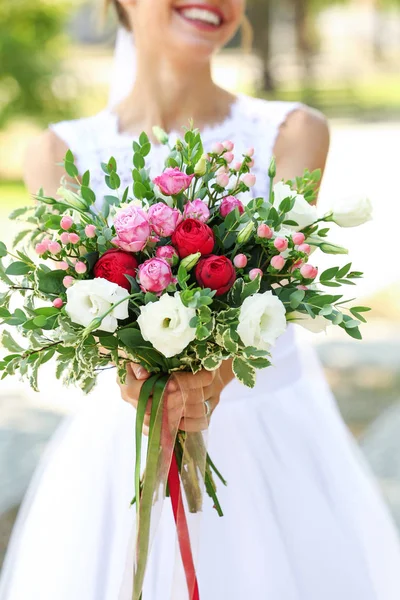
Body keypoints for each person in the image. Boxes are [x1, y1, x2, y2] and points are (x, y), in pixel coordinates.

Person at [1, 1, 400, 598]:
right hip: (122, 447)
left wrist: (207, 380)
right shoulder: (57, 155)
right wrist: (144, 380)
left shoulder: (292, 133)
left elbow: (277, 289)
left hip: (273, 441)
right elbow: (85, 313)